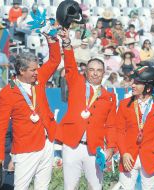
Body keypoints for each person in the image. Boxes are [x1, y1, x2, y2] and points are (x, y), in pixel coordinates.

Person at [0, 33, 61, 190]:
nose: (37, 72)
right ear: (21, 71)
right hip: (25, 149)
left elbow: (55, 61)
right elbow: (1, 127)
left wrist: (52, 42)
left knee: (42, 187)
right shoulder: (7, 93)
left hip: (47, 141)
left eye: (37, 69)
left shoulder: (39, 79)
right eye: (33, 70)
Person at [57, 30, 117, 190]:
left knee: (95, 187)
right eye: (92, 69)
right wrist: (67, 44)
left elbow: (111, 125)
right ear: (86, 72)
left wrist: (111, 147)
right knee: (70, 187)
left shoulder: (110, 97)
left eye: (99, 70)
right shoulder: (77, 85)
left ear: (104, 73)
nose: (95, 73)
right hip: (72, 145)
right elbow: (70, 66)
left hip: (94, 148)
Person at [116, 66, 154, 189]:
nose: (133, 85)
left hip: (151, 157)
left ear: (148, 88)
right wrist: (124, 153)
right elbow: (119, 131)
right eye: (133, 82)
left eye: (138, 83)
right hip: (129, 157)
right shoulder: (124, 105)